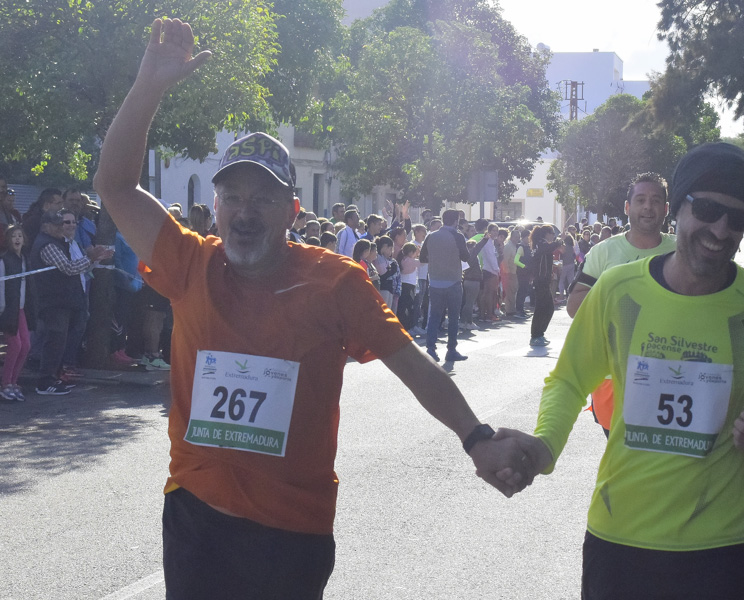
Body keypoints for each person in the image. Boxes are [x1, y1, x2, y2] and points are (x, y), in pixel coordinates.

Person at [92, 19, 528, 597]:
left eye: (264, 198)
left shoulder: (336, 282)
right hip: (197, 513)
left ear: (293, 209)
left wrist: (476, 438)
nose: (245, 212)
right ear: (215, 206)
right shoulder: (190, 262)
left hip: (290, 530)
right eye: (233, 198)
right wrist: (148, 85)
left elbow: (414, 365)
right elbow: (116, 185)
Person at [497, 142, 744, 599]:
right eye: (707, 210)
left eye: (738, 219)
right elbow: (569, 378)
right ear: (678, 209)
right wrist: (546, 446)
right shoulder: (619, 289)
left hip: (719, 546)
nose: (721, 230)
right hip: (620, 537)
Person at [565, 172, 675, 435]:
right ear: (627, 207)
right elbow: (573, 305)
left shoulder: (681, 252)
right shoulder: (603, 252)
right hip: (612, 379)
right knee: (623, 464)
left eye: (655, 200)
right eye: (640, 200)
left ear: (666, 209)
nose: (648, 206)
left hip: (671, 376)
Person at [29, 210, 112, 394]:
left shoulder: (60, 242)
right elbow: (68, 268)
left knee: (61, 340)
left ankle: (56, 376)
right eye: (58, 225)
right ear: (46, 226)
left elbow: (76, 267)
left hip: (63, 300)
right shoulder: (47, 245)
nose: (62, 228)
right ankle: (45, 381)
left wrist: (94, 258)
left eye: (63, 224)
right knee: (55, 340)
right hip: (53, 301)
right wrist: (91, 257)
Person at [419, 209, 470, 363]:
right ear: (455, 221)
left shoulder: (431, 236)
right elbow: (466, 256)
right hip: (453, 280)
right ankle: (451, 350)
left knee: (434, 316)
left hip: (434, 281)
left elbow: (422, 257)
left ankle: (430, 348)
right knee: (453, 317)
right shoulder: (457, 236)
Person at [0, 225, 34, 401]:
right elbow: (2, 285)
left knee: (26, 345)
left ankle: (14, 381)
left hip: (21, 309)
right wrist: (3, 308)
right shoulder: (4, 260)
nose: (17, 239)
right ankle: (5, 383)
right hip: (8, 310)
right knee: (15, 345)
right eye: (14, 236)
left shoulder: (25, 259)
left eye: (20, 235)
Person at [528, 224, 557, 347]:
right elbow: (548, 248)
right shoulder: (540, 244)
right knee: (541, 309)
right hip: (540, 281)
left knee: (548, 308)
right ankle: (535, 336)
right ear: (547, 234)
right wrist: (560, 241)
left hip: (544, 281)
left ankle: (540, 333)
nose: (554, 236)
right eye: (552, 233)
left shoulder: (541, 244)